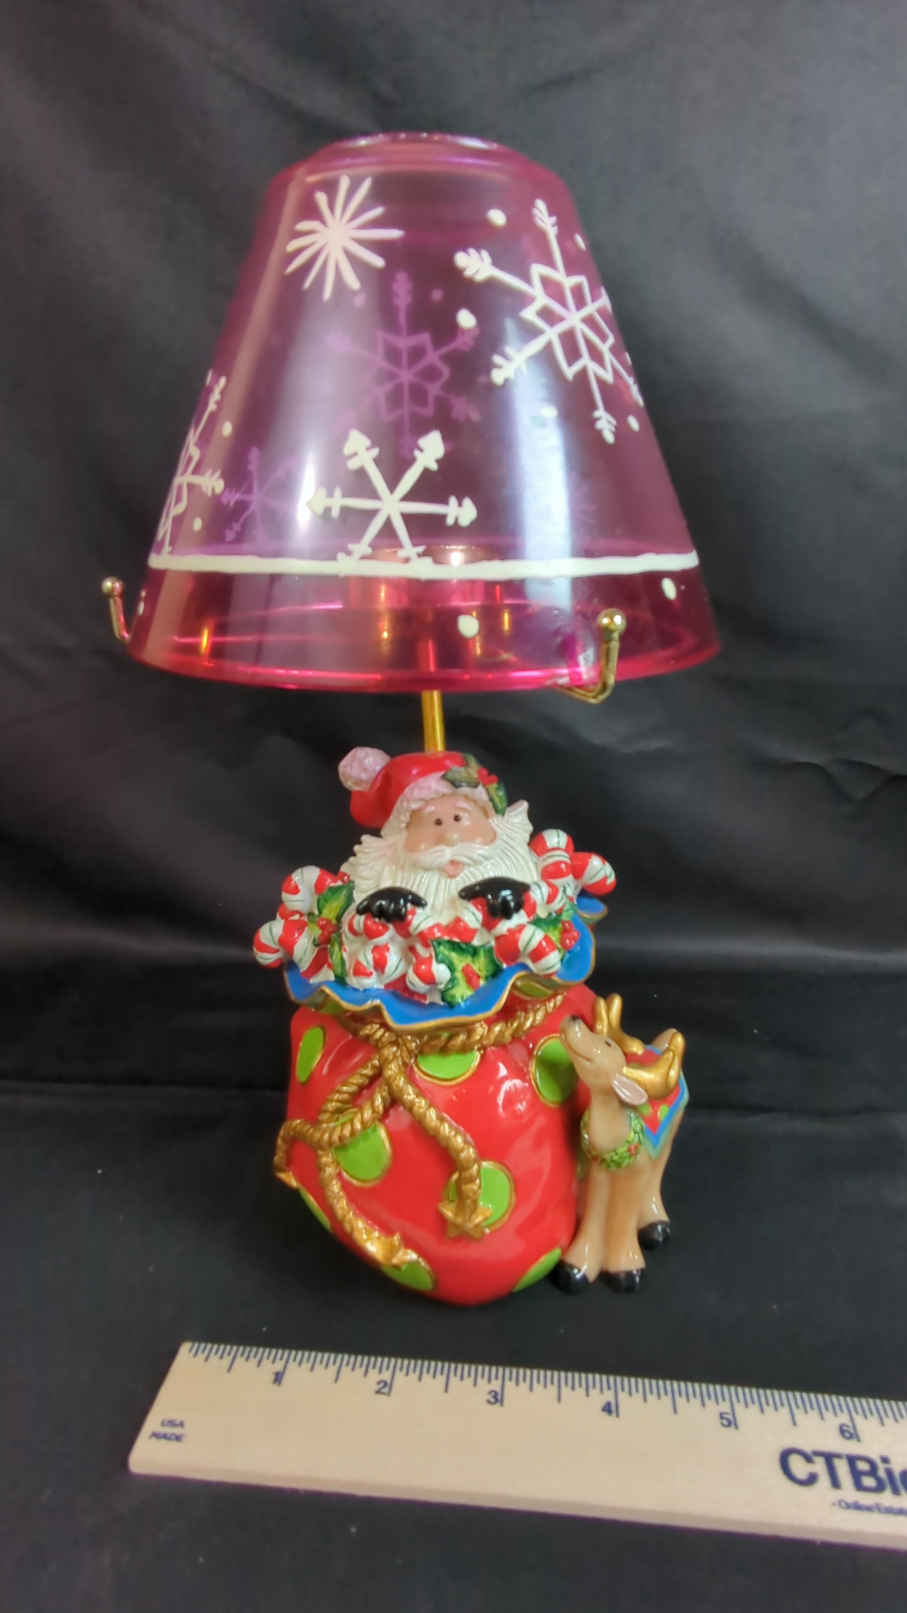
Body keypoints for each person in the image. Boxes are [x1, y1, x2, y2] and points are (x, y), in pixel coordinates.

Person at [254, 748, 616, 1007]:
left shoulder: (527, 867)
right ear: (399, 838)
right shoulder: (380, 880)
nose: (450, 836)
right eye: (433, 822)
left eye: (460, 817)